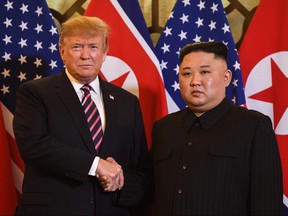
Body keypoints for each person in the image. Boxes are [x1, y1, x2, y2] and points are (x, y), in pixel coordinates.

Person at [13, 16, 148, 216]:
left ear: (104, 53)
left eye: (93, 47)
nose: (86, 55)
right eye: (77, 47)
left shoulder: (127, 102)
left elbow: (140, 168)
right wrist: (96, 165)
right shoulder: (35, 93)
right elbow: (34, 146)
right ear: (62, 52)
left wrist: (119, 182)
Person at [149, 41, 283, 215]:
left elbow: (266, 204)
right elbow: (147, 187)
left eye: (204, 72)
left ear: (226, 78)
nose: (195, 81)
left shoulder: (254, 126)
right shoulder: (164, 128)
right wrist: (107, 173)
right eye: (186, 73)